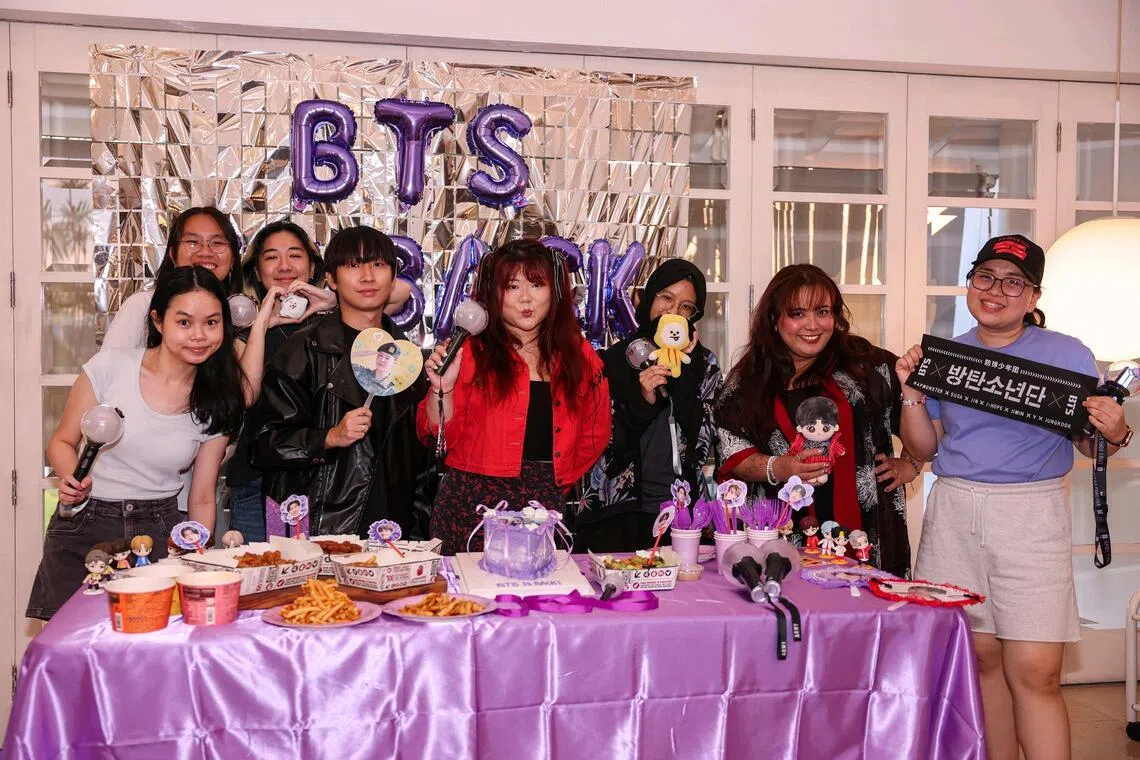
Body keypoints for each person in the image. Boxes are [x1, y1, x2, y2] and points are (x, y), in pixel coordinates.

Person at [895, 234, 1127, 760]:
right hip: (954, 509)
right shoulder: (948, 356)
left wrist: (1115, 431)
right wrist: (909, 389)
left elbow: (1089, 440)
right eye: (986, 277)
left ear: (1033, 296)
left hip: (1030, 513)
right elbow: (924, 447)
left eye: (1013, 282)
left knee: (1037, 671)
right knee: (981, 659)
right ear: (970, 283)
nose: (996, 290)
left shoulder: (1066, 354)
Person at [27, 265, 244, 619]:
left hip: (161, 531)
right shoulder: (109, 367)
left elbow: (202, 495)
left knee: (149, 656)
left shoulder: (219, 400)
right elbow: (62, 442)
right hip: (86, 522)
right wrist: (72, 480)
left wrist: (196, 553)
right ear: (158, 321)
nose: (199, 335)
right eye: (184, 322)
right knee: (72, 651)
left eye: (211, 322)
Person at [714, 264, 918, 577]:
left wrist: (912, 463)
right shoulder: (748, 381)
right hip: (781, 543)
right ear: (774, 319)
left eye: (822, 311)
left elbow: (927, 417)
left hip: (870, 538)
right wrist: (779, 467)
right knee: (794, 621)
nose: (812, 325)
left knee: (872, 624)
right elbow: (730, 452)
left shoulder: (869, 366)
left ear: (836, 317)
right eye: (797, 313)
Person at [420, 239, 611, 555]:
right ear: (493, 294)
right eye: (512, 286)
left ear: (556, 291)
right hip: (470, 504)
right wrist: (443, 388)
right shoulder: (468, 351)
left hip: (544, 504)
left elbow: (596, 431)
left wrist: (554, 481)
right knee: (467, 602)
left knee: (542, 601)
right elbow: (436, 438)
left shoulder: (579, 355)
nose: (526, 298)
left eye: (537, 284)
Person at [252, 226, 430, 538]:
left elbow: (422, 464)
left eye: (378, 265)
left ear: (392, 276)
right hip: (320, 530)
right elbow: (264, 445)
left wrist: (416, 534)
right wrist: (329, 437)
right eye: (352, 265)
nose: (367, 276)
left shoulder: (408, 357)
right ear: (331, 279)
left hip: (391, 534)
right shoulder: (304, 349)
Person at [576, 259, 721, 553]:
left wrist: (684, 378)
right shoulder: (612, 361)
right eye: (666, 298)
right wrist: (643, 401)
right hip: (616, 512)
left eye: (686, 307)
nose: (672, 312)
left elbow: (704, 445)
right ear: (648, 297)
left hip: (682, 512)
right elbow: (598, 443)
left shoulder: (704, 365)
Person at [227, 221, 336, 542]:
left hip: (322, 480)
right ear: (257, 272)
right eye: (271, 257)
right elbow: (246, 394)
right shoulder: (241, 334)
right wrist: (263, 322)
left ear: (313, 265)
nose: (285, 266)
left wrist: (332, 302)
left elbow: (395, 292)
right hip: (256, 483)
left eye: (295, 255)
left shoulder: (337, 325)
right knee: (262, 581)